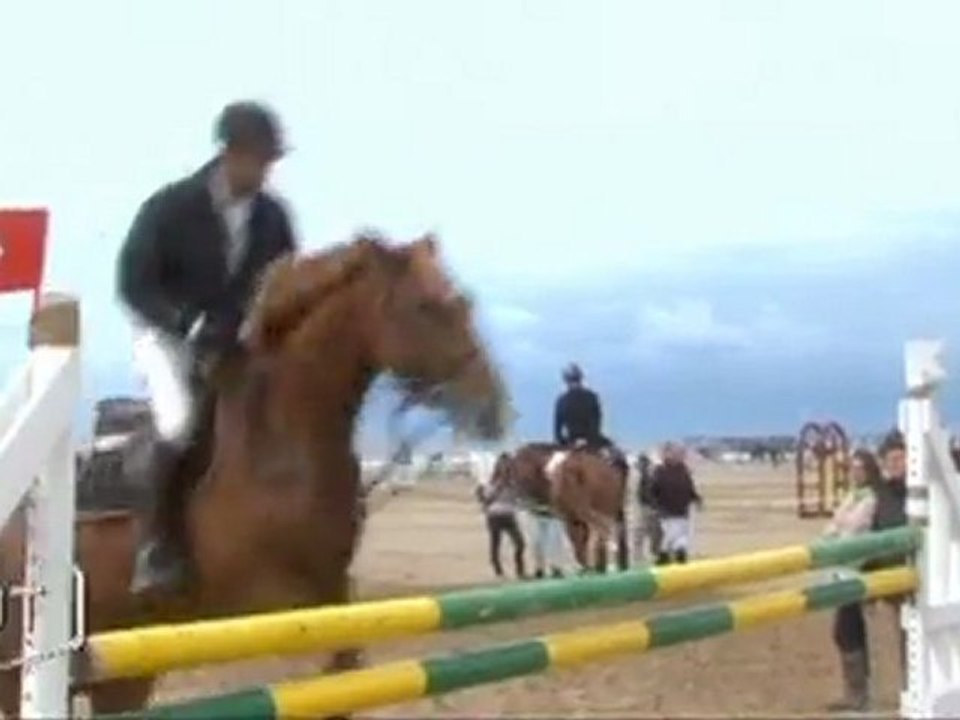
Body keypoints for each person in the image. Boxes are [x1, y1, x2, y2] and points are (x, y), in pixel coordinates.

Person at [116, 100, 299, 594]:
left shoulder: (273, 219)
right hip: (165, 336)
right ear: (230, 153)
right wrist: (188, 324)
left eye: (270, 161)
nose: (265, 171)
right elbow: (132, 281)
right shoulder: (171, 206)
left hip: (235, 342)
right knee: (178, 424)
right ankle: (155, 547)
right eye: (259, 159)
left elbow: (283, 287)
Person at [823, 448, 882, 712]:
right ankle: (855, 692)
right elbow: (835, 525)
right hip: (842, 567)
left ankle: (858, 694)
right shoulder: (853, 495)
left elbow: (852, 528)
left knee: (848, 630)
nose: (855, 473)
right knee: (846, 630)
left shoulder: (870, 498)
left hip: (855, 568)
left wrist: (835, 535)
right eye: (853, 468)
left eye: (860, 468)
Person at [650, 442, 703, 564]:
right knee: (672, 536)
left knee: (680, 538)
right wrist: (655, 506)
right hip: (667, 511)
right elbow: (652, 491)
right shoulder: (659, 471)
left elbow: (689, 488)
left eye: (679, 453)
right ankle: (665, 559)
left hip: (682, 511)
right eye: (675, 453)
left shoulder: (683, 470)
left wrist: (697, 499)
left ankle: (676, 560)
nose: (678, 456)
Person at [475, 455, 527, 579]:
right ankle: (499, 570)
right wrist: (498, 486)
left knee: (520, 543)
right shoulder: (492, 482)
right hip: (495, 515)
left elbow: (518, 499)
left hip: (509, 514)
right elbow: (485, 498)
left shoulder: (514, 482)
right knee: (496, 543)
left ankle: (519, 570)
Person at [553, 363, 605, 449]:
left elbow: (557, 431)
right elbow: (596, 424)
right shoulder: (592, 397)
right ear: (580, 378)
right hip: (592, 442)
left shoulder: (561, 401)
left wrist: (563, 442)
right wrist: (589, 440)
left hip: (570, 441)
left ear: (566, 380)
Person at [633, 452, 662, 564]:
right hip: (646, 507)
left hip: (647, 507)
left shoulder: (646, 475)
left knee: (651, 533)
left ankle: (644, 556)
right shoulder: (644, 475)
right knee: (649, 533)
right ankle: (644, 556)